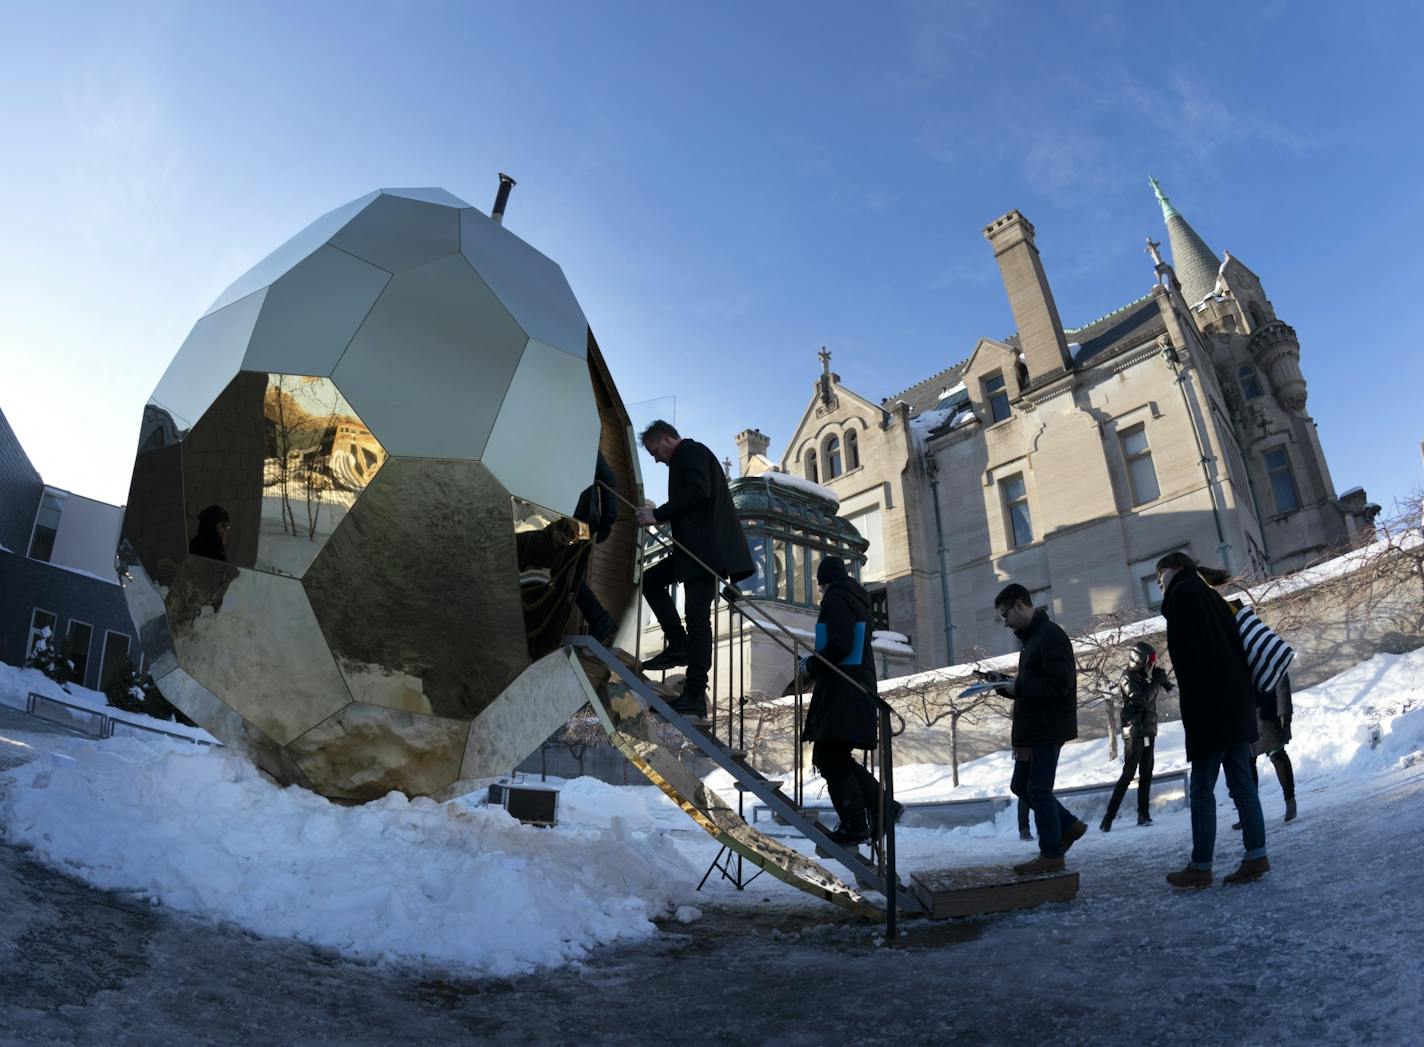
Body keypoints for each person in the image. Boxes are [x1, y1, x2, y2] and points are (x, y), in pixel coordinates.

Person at [1156, 552, 1269, 888]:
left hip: (1209, 708)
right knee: (1242, 783)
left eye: (1159, 578)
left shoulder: (1180, 596)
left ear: (1170, 571)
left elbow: (1189, 659)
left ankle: (1201, 865)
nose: (1159, 586)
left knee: (1203, 789)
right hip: (1236, 704)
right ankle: (1256, 855)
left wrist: (1193, 707)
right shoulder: (1212, 596)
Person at [634, 420, 754, 717]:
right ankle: (678, 643)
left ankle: (695, 693)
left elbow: (698, 491)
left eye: (654, 451)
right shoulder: (692, 455)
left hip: (704, 552)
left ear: (665, 438)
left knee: (698, 620)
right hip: (695, 551)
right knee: (652, 581)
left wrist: (657, 514)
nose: (655, 458)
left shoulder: (689, 452)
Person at [991, 584, 1087, 875]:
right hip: (1034, 727)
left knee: (1037, 789)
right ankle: (1069, 825)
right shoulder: (1032, 638)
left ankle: (1052, 853)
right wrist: (1003, 683)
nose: (1005, 622)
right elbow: (1033, 685)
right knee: (1021, 786)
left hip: (1047, 726)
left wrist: (1017, 685)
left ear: (1020, 605)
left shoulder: (1050, 635)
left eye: (1006, 614)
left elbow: (1061, 685)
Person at [802, 556, 882, 845]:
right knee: (835, 756)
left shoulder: (836, 598)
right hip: (855, 687)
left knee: (829, 757)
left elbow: (840, 644)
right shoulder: (855, 599)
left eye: (820, 587)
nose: (821, 592)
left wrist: (812, 664)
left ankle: (855, 824)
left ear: (824, 582)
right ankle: (881, 808)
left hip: (844, 691)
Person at [1100, 641, 1171, 832]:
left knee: (1146, 774)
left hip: (1148, 732)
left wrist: (1161, 680)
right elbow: (1139, 700)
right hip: (1134, 733)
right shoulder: (1127, 678)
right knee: (1128, 775)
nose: (1151, 665)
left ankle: (1143, 815)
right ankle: (1108, 819)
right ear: (1140, 660)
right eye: (1150, 661)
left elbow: (1157, 692)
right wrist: (1155, 682)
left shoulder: (1144, 678)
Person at [572, 451, 620, 646]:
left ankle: (601, 620)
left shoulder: (586, 442)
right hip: (577, 516)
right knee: (571, 574)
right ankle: (600, 620)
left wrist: (608, 521)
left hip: (579, 518)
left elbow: (609, 481)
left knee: (569, 573)